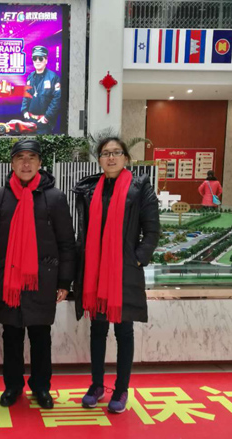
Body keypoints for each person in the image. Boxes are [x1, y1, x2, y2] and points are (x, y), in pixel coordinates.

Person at [0, 140, 75, 409]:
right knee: (11, 335)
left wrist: (64, 281)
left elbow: (66, 242)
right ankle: (12, 386)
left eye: (31, 157)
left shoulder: (54, 198)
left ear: (39, 163)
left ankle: (41, 386)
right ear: (12, 163)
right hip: (7, 279)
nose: (26, 163)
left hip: (42, 279)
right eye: (20, 157)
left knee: (40, 335)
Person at [72, 137, 159, 414]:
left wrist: (136, 259)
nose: (111, 158)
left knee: (124, 330)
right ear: (99, 159)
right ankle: (96, 385)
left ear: (126, 158)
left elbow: (152, 231)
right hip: (95, 270)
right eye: (105, 153)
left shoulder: (140, 188)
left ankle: (121, 390)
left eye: (116, 153)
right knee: (97, 329)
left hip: (124, 272)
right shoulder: (90, 190)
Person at [20, 46, 61, 135]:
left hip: (44, 124)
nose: (37, 61)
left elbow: (56, 100)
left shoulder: (53, 77)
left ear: (46, 60)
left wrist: (47, 117)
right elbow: (26, 95)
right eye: (35, 58)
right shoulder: (30, 77)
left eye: (40, 58)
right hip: (29, 122)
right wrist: (24, 111)